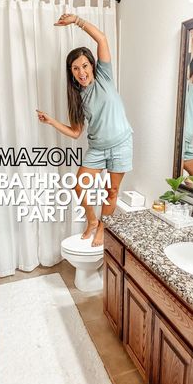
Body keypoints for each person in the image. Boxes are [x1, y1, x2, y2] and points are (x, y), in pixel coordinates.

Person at [37, 13, 133, 246]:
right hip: (97, 148)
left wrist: (77, 21)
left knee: (111, 192)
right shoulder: (77, 97)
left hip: (121, 144)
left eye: (84, 65)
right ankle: (91, 220)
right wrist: (51, 121)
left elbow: (101, 39)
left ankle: (102, 226)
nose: (81, 72)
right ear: (71, 73)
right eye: (75, 69)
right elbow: (75, 132)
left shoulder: (104, 76)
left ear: (92, 65)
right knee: (79, 185)